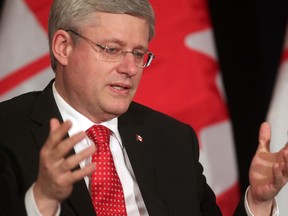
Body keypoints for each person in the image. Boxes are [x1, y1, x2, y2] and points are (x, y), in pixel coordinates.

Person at [0, 0, 287, 215]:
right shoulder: (8, 131)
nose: (129, 68)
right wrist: (43, 199)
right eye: (111, 49)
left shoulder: (172, 139)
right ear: (63, 47)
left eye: (138, 54)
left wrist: (257, 204)